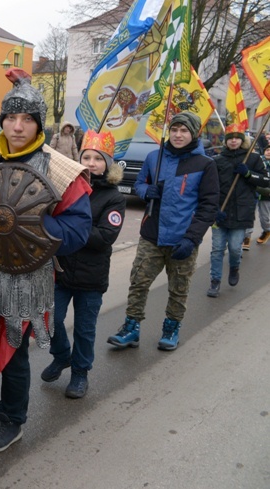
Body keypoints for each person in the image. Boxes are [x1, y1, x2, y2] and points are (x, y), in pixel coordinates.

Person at [0, 68, 92, 453]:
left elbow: (78, 229)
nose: (17, 126)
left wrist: (33, 226)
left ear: (39, 124)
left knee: (13, 352)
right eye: (11, 117)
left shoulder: (61, 170)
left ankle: (11, 419)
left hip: (27, 277)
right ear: (2, 120)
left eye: (27, 119)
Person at [107, 112, 218, 351]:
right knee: (138, 281)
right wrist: (147, 191)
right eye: (174, 129)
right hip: (152, 234)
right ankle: (131, 327)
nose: (178, 135)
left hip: (183, 238)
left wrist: (192, 237)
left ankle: (171, 328)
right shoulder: (153, 157)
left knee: (178, 289)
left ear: (194, 133)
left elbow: (209, 206)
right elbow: (138, 184)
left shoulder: (205, 165)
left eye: (184, 130)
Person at [41, 130, 126, 398]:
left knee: (85, 330)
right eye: (86, 157)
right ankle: (62, 355)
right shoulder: (70, 189)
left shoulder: (114, 198)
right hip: (62, 271)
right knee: (49, 320)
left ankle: (80, 373)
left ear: (107, 164)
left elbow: (104, 237)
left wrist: (73, 227)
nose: (91, 163)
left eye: (97, 159)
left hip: (91, 277)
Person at [206, 124, 269, 297]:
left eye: (237, 137)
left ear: (242, 140)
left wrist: (248, 174)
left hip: (242, 213)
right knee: (217, 249)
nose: (234, 140)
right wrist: (214, 209)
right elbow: (210, 187)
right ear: (226, 141)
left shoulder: (253, 159)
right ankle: (215, 281)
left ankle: (234, 268)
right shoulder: (218, 160)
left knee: (235, 248)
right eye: (230, 138)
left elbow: (265, 181)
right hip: (221, 213)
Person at [256, 145, 270, 245]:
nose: (269, 152)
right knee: (264, 218)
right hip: (264, 194)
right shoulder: (258, 162)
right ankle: (267, 230)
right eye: (268, 150)